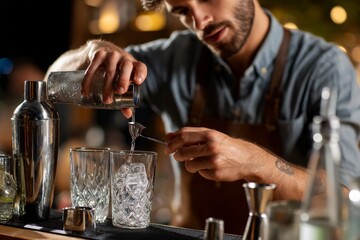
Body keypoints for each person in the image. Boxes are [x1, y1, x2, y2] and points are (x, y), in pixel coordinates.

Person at [44, 0, 360, 234]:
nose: (200, 21)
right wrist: (92, 52)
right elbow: (53, 82)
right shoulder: (175, 57)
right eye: (182, 10)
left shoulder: (324, 68)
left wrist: (254, 162)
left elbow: (342, 198)